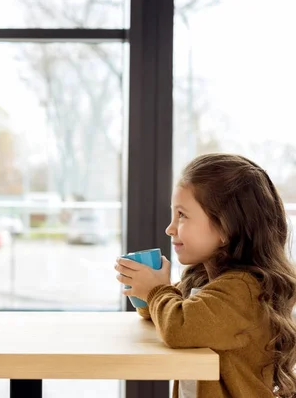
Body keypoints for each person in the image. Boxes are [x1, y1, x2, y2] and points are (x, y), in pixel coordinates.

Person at [115, 153, 296, 398]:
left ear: (225, 227)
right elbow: (165, 313)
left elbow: (178, 326)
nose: (170, 228)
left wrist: (156, 291)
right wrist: (146, 292)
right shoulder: (205, 280)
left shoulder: (242, 290)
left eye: (182, 215)